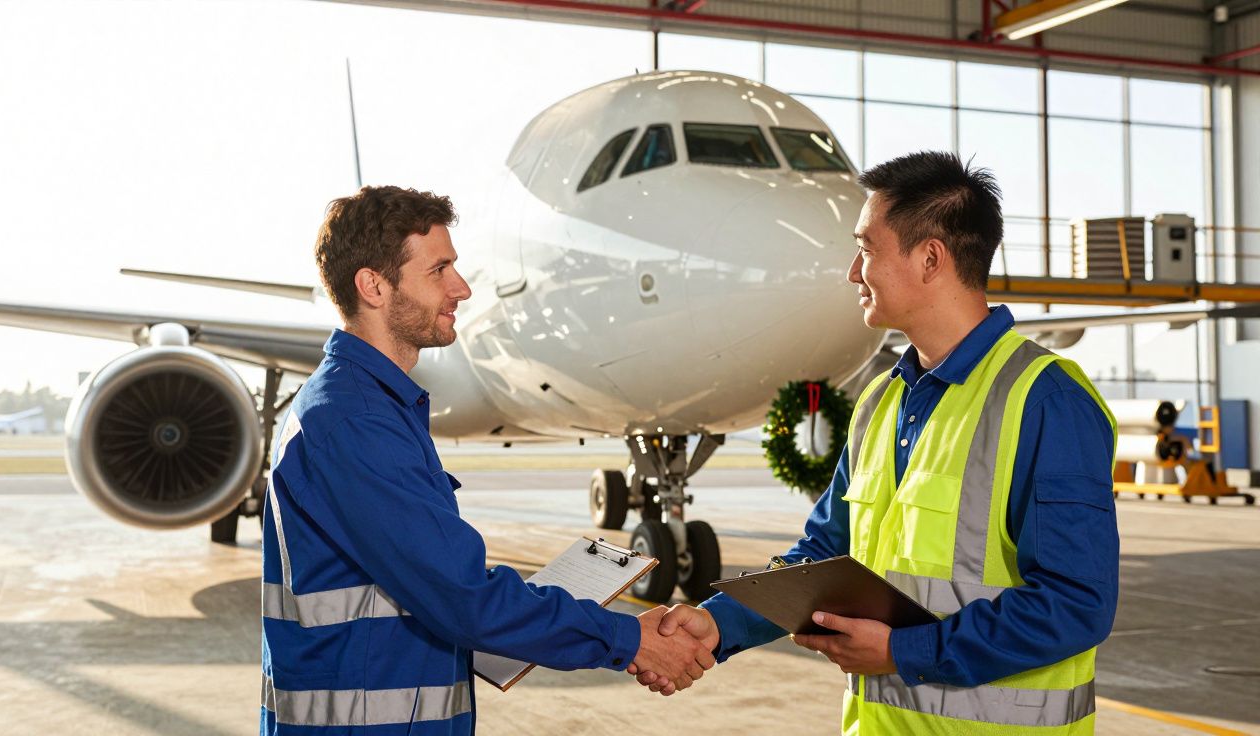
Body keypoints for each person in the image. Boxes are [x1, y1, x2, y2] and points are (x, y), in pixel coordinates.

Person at [634, 152, 1119, 735]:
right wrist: (719, 626)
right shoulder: (879, 403)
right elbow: (823, 555)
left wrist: (905, 652)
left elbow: (1073, 604)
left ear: (930, 258)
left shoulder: (1045, 401)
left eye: (866, 249)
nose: (852, 272)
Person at [261, 186, 712, 735]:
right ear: (373, 285)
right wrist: (629, 640)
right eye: (439, 271)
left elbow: (431, 586)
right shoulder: (354, 420)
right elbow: (462, 595)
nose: (463, 288)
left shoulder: (374, 406)